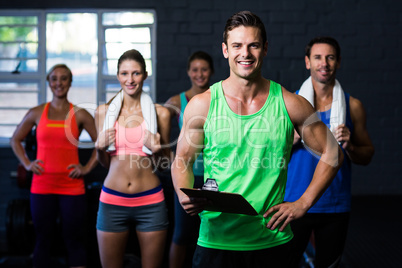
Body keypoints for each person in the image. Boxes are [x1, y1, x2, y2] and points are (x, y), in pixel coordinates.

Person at [171, 11, 344, 268]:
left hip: (271, 242)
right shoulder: (202, 105)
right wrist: (183, 193)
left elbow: (333, 153)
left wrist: (303, 203)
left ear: (265, 49)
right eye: (237, 45)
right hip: (216, 240)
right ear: (225, 50)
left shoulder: (291, 104)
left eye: (253, 45)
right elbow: (182, 160)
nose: (245, 53)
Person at [284, 36, 375, 268]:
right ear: (307, 62)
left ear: (338, 62)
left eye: (330, 57)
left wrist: (350, 146)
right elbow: (270, 157)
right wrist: (291, 139)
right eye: (317, 57)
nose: (324, 63)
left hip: (334, 204)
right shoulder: (290, 104)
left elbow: (367, 155)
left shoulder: (352, 105)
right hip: (293, 202)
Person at [10, 64, 98, 268]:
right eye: (54, 78)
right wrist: (27, 163)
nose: (59, 83)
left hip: (72, 187)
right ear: (49, 82)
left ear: (70, 82)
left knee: (74, 240)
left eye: (64, 78)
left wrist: (86, 168)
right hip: (42, 186)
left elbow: (101, 145)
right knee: (43, 239)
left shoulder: (81, 114)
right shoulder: (37, 112)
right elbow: (16, 140)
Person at [94, 49, 171, 268]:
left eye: (136, 73)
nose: (130, 79)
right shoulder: (103, 112)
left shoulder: (160, 113)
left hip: (151, 202)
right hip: (112, 200)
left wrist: (157, 150)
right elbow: (104, 163)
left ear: (145, 75)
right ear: (118, 75)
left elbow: (163, 165)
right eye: (124, 73)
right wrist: (99, 148)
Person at [164, 51, 214, 268]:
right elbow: (164, 142)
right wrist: (171, 158)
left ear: (211, 71)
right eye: (195, 70)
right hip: (188, 175)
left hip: (215, 176)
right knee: (182, 233)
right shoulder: (176, 101)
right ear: (188, 72)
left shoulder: (218, 97)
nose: (200, 74)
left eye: (204, 69)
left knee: (213, 231)